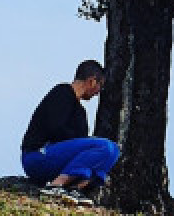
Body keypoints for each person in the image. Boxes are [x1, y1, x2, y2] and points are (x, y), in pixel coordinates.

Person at [20, 59, 120, 205]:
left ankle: (75, 189)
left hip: (58, 161)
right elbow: (55, 128)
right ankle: (56, 185)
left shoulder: (81, 113)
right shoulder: (62, 93)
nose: (98, 93)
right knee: (105, 146)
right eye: (100, 86)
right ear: (92, 81)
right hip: (36, 156)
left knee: (113, 151)